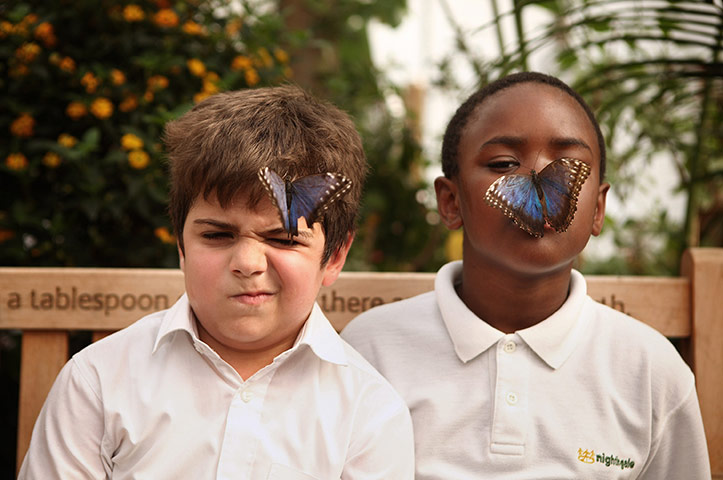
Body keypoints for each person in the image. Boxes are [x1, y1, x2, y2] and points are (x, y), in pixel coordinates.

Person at [19, 85, 414, 479]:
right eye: (217, 235)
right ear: (181, 245)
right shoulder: (100, 380)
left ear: (335, 257)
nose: (246, 263)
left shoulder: (369, 413)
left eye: (282, 239)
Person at [341, 72, 710, 479]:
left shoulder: (651, 371)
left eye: (568, 168)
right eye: (503, 163)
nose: (534, 178)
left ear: (598, 210)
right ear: (451, 202)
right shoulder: (368, 352)